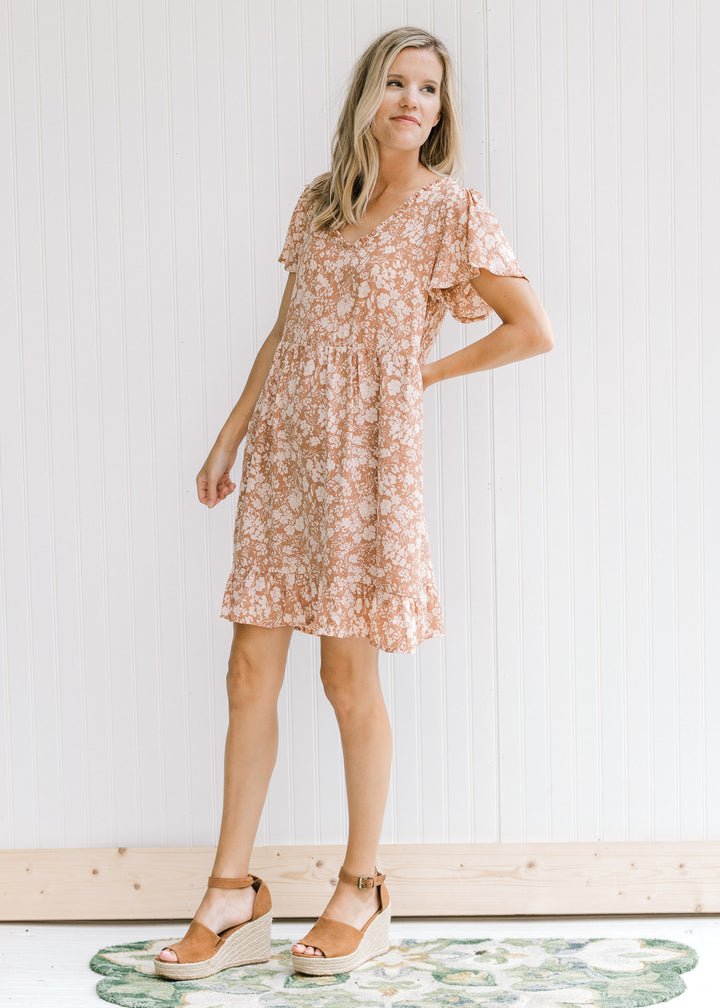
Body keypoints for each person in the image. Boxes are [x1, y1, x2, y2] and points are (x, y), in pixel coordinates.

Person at [154, 25, 553, 982]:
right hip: (288, 452)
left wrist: (419, 373)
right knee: (249, 669)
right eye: (397, 84)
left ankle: (362, 888)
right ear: (367, 96)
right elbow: (288, 330)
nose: (414, 101)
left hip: (368, 461)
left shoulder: (452, 212)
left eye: (430, 90)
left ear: (439, 111)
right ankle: (231, 892)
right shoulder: (321, 206)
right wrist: (230, 433)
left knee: (346, 677)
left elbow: (530, 329)